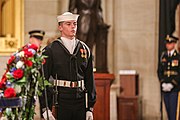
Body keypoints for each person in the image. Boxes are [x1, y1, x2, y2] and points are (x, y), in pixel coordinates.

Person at [39, 12, 96, 120]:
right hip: (60, 100)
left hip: (80, 99)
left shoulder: (84, 49)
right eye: (68, 24)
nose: (73, 27)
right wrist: (45, 108)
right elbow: (43, 80)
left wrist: (90, 108)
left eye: (74, 24)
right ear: (60, 27)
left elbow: (90, 79)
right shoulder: (50, 50)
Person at [157, 35, 180, 120]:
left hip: (174, 88)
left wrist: (172, 84)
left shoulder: (178, 57)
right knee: (168, 111)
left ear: (174, 44)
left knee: (173, 112)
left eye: (170, 43)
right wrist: (163, 83)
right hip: (165, 87)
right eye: (167, 43)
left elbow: (179, 73)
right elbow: (159, 71)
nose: (167, 45)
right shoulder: (163, 57)